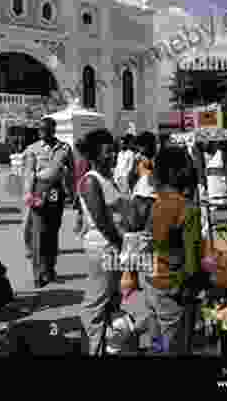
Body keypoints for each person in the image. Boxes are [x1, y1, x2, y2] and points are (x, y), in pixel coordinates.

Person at [74, 129, 128, 354]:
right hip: (104, 249)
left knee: (111, 301)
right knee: (95, 304)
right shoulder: (90, 182)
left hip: (113, 248)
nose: (113, 155)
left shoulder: (108, 179)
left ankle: (106, 347)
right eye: (108, 152)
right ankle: (92, 349)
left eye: (114, 150)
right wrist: (123, 245)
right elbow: (103, 222)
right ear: (95, 155)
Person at [143, 146, 197, 355]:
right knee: (175, 344)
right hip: (172, 287)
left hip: (151, 283)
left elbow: (149, 243)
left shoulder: (156, 203)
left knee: (157, 340)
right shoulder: (188, 208)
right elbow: (191, 261)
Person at [22, 117, 75, 287]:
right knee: (38, 232)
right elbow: (29, 173)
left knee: (52, 230)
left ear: (54, 130)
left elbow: (71, 173)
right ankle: (38, 274)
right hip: (39, 189)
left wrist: (71, 194)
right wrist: (28, 194)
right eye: (41, 130)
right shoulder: (32, 149)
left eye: (47, 129)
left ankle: (50, 269)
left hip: (55, 191)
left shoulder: (65, 148)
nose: (43, 132)